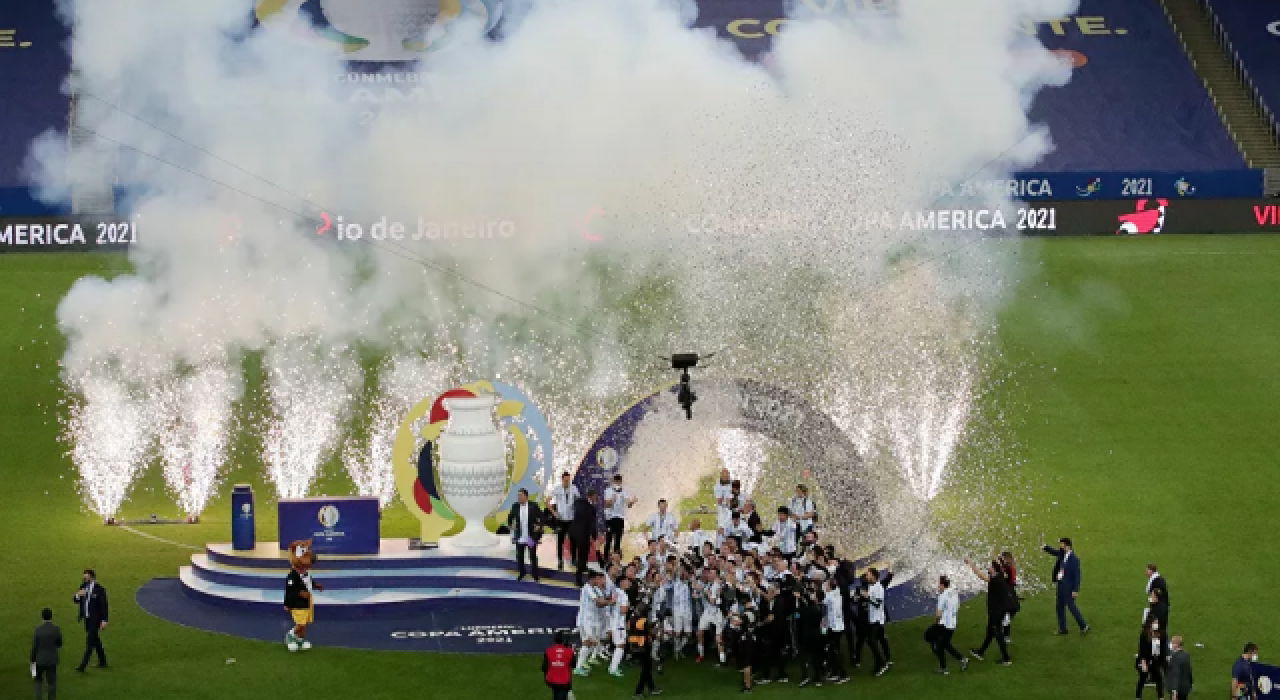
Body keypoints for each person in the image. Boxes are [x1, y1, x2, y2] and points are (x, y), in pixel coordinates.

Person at [966, 558, 1015, 666]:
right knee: (990, 632)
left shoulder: (995, 580)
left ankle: (1006, 658)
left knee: (997, 633)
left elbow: (980, 575)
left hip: (996, 611)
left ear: (994, 569)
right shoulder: (1001, 575)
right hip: (998, 610)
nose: (988, 567)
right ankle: (981, 652)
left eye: (990, 566)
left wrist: (971, 564)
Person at [1042, 537, 1089, 635]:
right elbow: (1054, 552)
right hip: (1061, 585)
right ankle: (1063, 629)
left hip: (1068, 587)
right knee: (1059, 607)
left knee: (1071, 607)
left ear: (1067, 546)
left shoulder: (1074, 559)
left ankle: (1084, 626)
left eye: (1062, 544)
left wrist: (1075, 590)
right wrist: (1044, 546)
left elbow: (1077, 576)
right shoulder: (1062, 553)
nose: (1060, 546)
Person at [574, 571, 611, 676]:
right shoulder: (587, 588)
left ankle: (580, 665)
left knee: (591, 642)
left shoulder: (596, 589)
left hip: (591, 620)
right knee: (588, 642)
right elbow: (598, 602)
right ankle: (578, 667)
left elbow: (600, 605)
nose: (599, 581)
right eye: (598, 579)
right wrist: (610, 601)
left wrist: (608, 601)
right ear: (592, 579)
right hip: (585, 620)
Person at [72, 569, 108, 671]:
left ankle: (82, 666)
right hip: (87, 619)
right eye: (84, 577)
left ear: (92, 577)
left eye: (86, 577)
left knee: (90, 642)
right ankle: (103, 661)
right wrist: (78, 595)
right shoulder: (83, 587)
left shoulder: (99, 589)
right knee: (95, 639)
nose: (84, 579)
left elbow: (104, 606)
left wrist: (104, 620)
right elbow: (75, 600)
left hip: (95, 620)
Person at [931, 575, 967, 674]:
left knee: (939, 646)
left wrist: (936, 623)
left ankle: (944, 668)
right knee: (945, 644)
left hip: (944, 625)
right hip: (953, 623)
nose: (938, 586)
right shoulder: (954, 591)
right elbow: (958, 606)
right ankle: (962, 659)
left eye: (939, 584)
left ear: (942, 585)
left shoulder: (942, 596)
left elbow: (939, 613)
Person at [508, 488, 545, 582]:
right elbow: (510, 517)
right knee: (519, 556)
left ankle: (535, 574)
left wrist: (539, 526)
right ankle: (522, 573)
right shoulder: (515, 506)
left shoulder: (533, 506)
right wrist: (511, 525)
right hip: (520, 537)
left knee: (532, 555)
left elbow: (542, 517)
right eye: (518, 495)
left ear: (526, 496)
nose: (518, 497)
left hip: (530, 538)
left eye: (520, 495)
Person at [548, 472, 580, 571]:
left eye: (569, 480)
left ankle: (574, 559)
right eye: (566, 480)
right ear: (562, 480)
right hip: (561, 520)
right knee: (560, 541)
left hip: (571, 519)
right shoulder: (557, 489)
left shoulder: (574, 488)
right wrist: (554, 513)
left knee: (573, 540)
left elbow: (578, 500)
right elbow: (547, 501)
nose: (567, 482)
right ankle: (560, 560)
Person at [628, 604, 661, 698]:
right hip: (643, 647)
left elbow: (642, 628)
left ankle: (652, 688)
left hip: (634, 647)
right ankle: (638, 692)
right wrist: (658, 627)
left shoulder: (632, 619)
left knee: (647, 668)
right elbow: (651, 633)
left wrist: (654, 623)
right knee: (646, 670)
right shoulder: (644, 621)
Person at [603, 474, 637, 562]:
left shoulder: (625, 491)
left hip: (620, 518)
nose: (618, 483)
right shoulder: (608, 491)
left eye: (619, 482)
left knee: (618, 540)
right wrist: (613, 500)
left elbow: (628, 505)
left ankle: (615, 560)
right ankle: (606, 559)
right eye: (616, 482)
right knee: (609, 539)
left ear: (621, 482)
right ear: (613, 482)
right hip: (610, 518)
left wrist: (632, 502)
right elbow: (607, 504)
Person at [820, 579, 849, 683]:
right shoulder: (838, 594)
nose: (825, 587)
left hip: (833, 627)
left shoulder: (828, 597)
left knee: (834, 651)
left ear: (830, 587)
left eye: (826, 586)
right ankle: (836, 672)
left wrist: (823, 630)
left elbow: (824, 615)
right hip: (839, 626)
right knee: (834, 650)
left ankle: (842, 674)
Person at [570, 490, 599, 586]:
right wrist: (595, 538)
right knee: (582, 556)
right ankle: (578, 579)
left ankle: (581, 566)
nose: (596, 498)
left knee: (581, 555)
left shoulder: (578, 502)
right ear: (592, 496)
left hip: (574, 532)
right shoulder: (591, 509)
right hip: (583, 535)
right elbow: (592, 525)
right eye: (595, 496)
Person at [31, 608, 62, 700]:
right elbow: (59, 644)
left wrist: (32, 661)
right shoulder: (56, 629)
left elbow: (34, 647)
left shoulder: (38, 630)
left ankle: (38, 698)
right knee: (52, 682)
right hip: (52, 660)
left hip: (39, 660)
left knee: (38, 681)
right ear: (51, 617)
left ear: (42, 617)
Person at [1135, 615, 1169, 699]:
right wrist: (1143, 663)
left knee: (1159, 679)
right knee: (1142, 679)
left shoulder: (1160, 634)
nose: (1156, 624)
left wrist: (1163, 661)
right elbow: (1141, 649)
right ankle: (1138, 697)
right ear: (1150, 623)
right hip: (1146, 660)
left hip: (1155, 660)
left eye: (1157, 622)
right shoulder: (1144, 635)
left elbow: (1163, 648)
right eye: (1155, 622)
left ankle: (1161, 697)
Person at [543, 630, 576, 700]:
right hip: (564, 681)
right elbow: (573, 665)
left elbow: (544, 667)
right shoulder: (570, 651)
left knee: (556, 694)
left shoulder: (548, 650)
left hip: (551, 680)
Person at [1166, 635, 1193, 700]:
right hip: (1185, 687)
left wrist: (1174, 691)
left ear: (1176, 645)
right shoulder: (1186, 655)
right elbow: (1189, 670)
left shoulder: (1175, 658)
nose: (1171, 645)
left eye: (1172, 643)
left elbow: (1176, 674)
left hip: (1178, 689)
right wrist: (1191, 682)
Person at [1000, 551, 1018, 642]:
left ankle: (1006, 635)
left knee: (1006, 616)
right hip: (1009, 594)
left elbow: (1009, 580)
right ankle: (1005, 634)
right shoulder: (1010, 567)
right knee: (1006, 616)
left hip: (1007, 594)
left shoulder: (1008, 568)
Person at [1145, 564, 1170, 630]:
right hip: (1160, 608)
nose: (1146, 573)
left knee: (1158, 630)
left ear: (1151, 571)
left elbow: (1157, 596)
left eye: (1147, 571)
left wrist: (1152, 600)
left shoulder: (1157, 581)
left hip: (1159, 609)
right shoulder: (1157, 580)